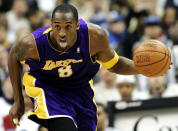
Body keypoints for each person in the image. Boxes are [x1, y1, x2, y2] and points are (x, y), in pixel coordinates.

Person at [8, 3, 147, 131]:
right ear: (51, 25)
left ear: (77, 25)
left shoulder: (94, 37)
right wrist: (18, 101)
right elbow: (13, 56)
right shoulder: (33, 44)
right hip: (48, 90)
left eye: (68, 26)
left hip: (81, 90)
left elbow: (115, 64)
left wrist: (144, 68)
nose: (62, 33)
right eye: (57, 27)